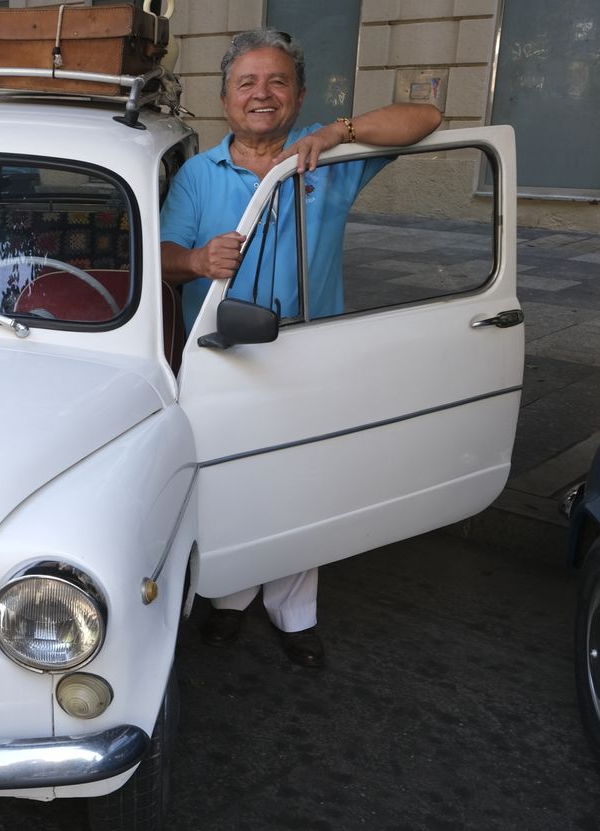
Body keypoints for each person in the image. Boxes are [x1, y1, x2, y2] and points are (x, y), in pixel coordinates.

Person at [160, 28, 442, 667]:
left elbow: (427, 117)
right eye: (246, 83)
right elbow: (161, 258)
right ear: (226, 98)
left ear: (299, 94)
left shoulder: (328, 160)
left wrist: (337, 132)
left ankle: (294, 614)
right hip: (222, 358)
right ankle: (230, 599)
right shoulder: (200, 175)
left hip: (312, 356)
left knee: (303, 483)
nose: (262, 94)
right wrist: (199, 258)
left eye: (277, 81)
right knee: (229, 481)